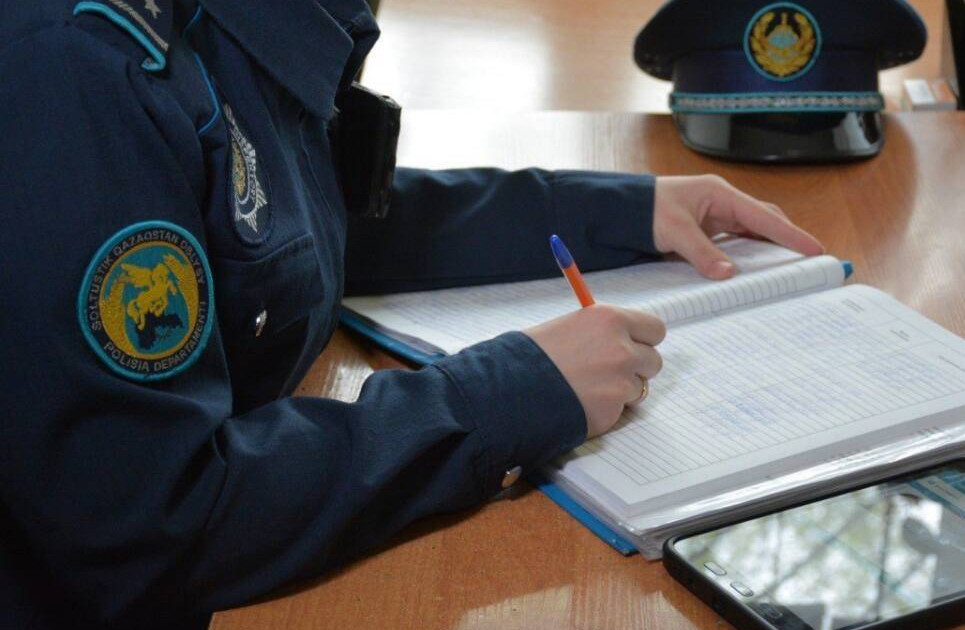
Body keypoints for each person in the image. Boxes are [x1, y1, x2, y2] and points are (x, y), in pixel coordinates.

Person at [0, 0, 823, 627]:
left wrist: (621, 213)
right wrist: (511, 392)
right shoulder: (75, 69)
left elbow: (295, 230)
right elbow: (145, 525)